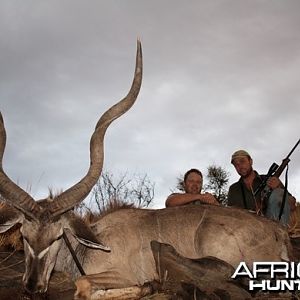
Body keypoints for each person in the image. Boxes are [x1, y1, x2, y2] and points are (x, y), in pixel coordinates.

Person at [227, 150, 293, 225]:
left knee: (278, 193)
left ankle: (280, 233)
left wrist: (279, 187)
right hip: (247, 228)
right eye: (236, 165)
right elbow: (230, 215)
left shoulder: (271, 180)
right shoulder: (233, 189)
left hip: (273, 227)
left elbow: (292, 204)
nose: (240, 167)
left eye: (242, 161)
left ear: (251, 161)